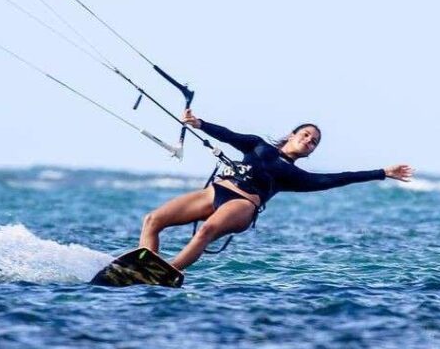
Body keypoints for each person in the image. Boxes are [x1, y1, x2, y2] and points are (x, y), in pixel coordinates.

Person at [139, 109, 414, 270]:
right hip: (215, 191)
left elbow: (339, 178)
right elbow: (229, 135)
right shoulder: (258, 145)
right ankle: (143, 266)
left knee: (207, 231)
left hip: (242, 205)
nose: (309, 141)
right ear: (292, 135)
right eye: (306, 135)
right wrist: (200, 124)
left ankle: (166, 271)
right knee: (153, 220)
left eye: (314, 142)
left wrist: (382, 172)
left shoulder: (295, 176)